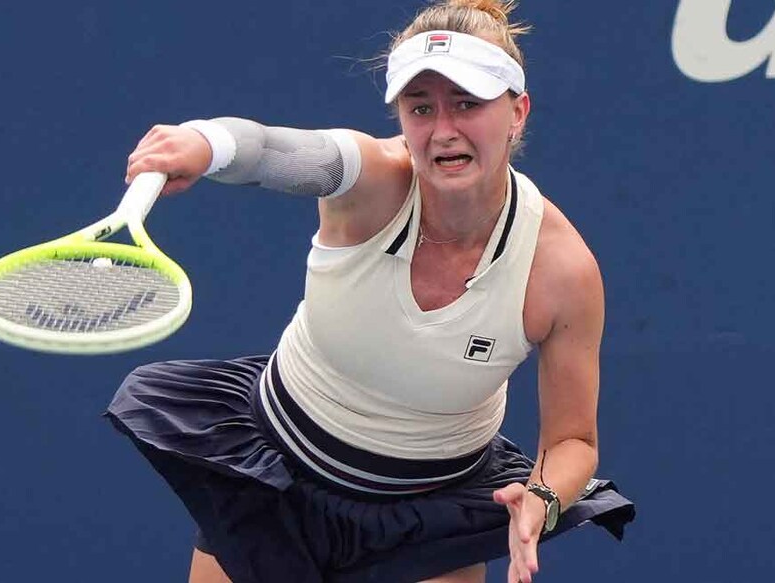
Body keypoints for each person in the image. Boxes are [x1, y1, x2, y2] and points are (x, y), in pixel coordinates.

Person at [106, 1, 634, 581]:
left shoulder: (560, 271)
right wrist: (206, 143)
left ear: (517, 112)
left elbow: (573, 441)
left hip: (429, 518)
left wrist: (543, 498)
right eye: (421, 107)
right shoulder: (370, 181)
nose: (443, 129)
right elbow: (268, 149)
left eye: (467, 104)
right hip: (275, 482)